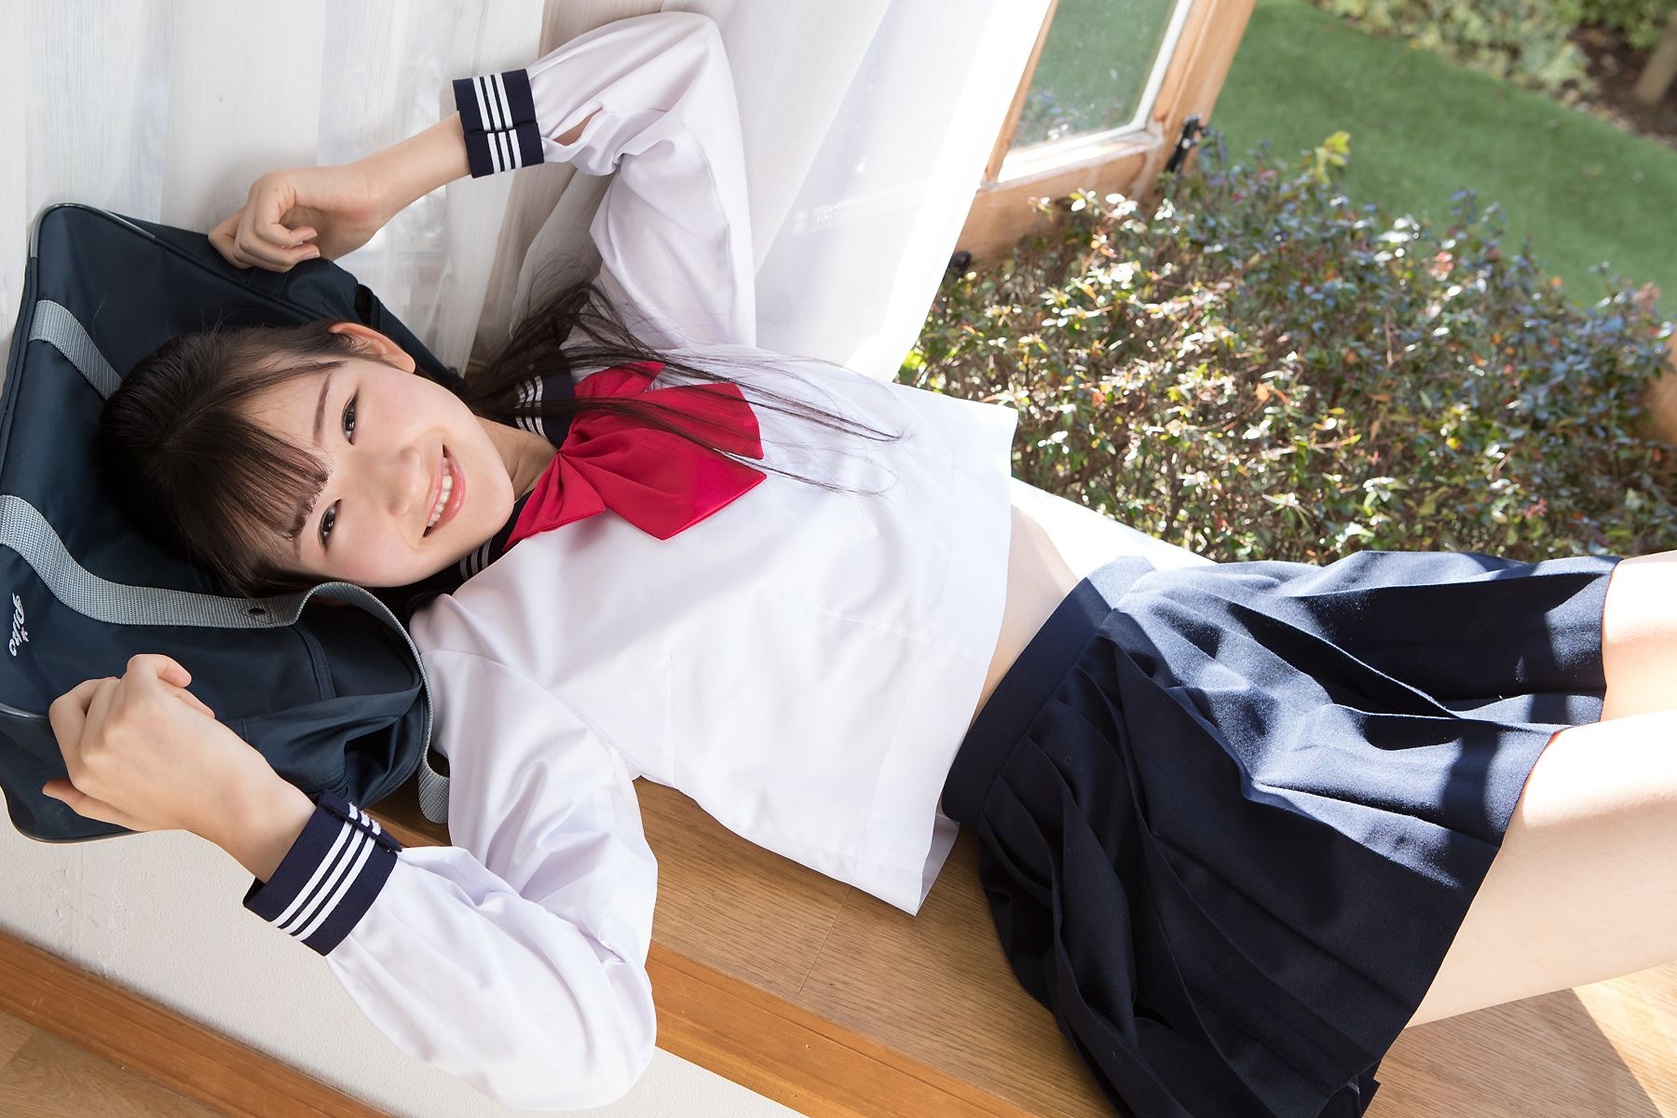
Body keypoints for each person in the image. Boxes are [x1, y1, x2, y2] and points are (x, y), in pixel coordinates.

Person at [41, 11, 1677, 1117]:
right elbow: (582, 1033)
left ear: (366, 343)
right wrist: (252, 817)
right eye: (328, 523)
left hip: (1209, 628)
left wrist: (395, 176)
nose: (396, 482)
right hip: (1175, 813)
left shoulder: (623, 359)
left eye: (347, 418)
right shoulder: (492, 665)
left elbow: (681, 82)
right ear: (325, 583)